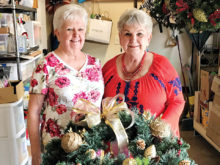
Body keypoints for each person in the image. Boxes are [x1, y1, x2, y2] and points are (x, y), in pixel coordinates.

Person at [27, 4, 104, 165]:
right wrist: (35, 155)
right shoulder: (46, 64)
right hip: (58, 150)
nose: (76, 35)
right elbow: (33, 113)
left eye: (81, 29)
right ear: (57, 33)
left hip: (91, 148)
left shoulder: (95, 63)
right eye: (69, 29)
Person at [102, 8, 185, 138]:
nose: (133, 40)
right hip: (115, 147)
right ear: (120, 37)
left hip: (155, 146)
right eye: (127, 34)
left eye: (139, 34)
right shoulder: (108, 68)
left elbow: (177, 102)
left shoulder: (163, 66)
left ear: (148, 38)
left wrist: (163, 126)